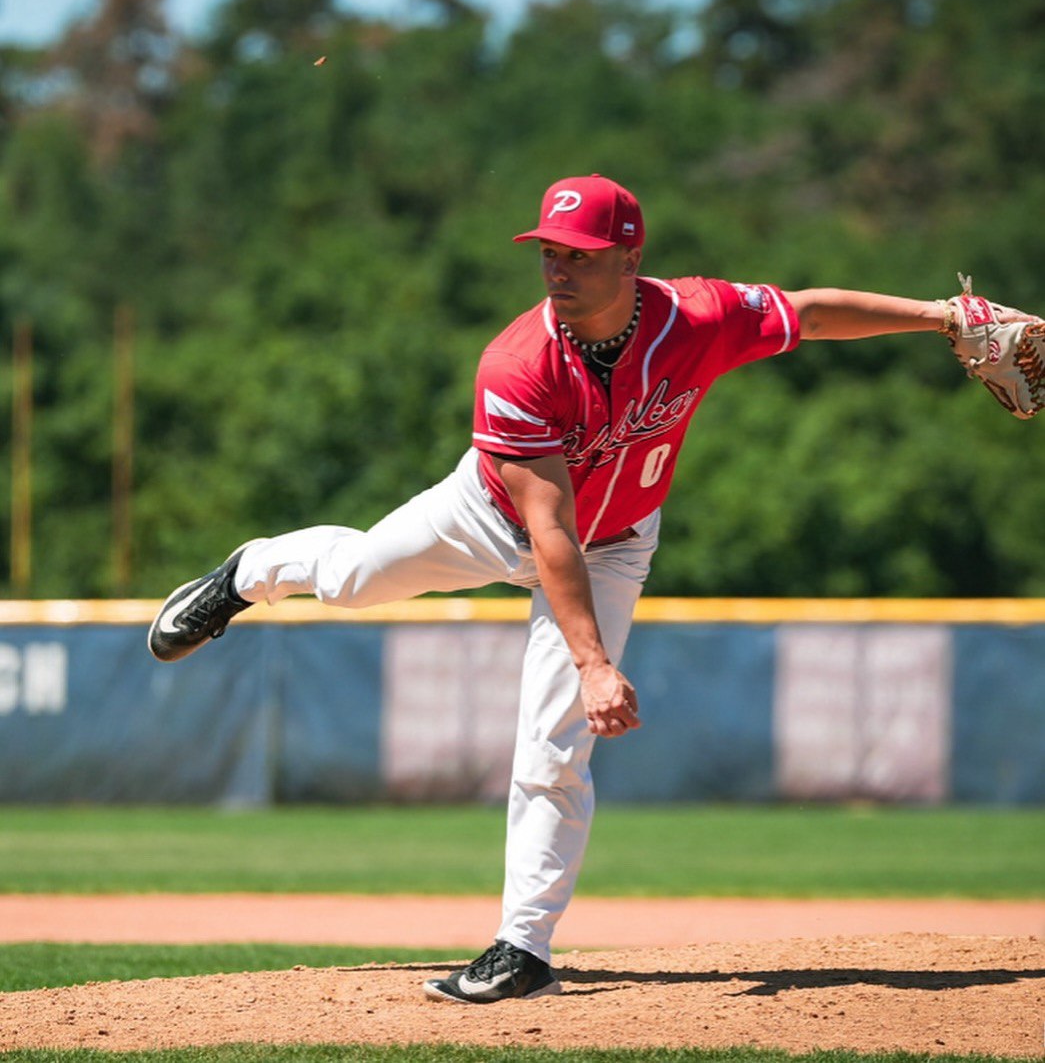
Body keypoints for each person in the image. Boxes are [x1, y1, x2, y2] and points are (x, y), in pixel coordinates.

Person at [148, 173, 1041, 1004]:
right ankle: (246, 573)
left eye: (578, 251)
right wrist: (593, 662)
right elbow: (547, 532)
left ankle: (522, 949)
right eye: (548, 249)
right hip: (491, 514)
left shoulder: (696, 316)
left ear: (629, 257)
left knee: (553, 739)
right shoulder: (516, 361)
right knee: (349, 581)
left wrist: (938, 316)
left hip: (614, 543)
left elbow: (805, 313)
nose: (558, 266)